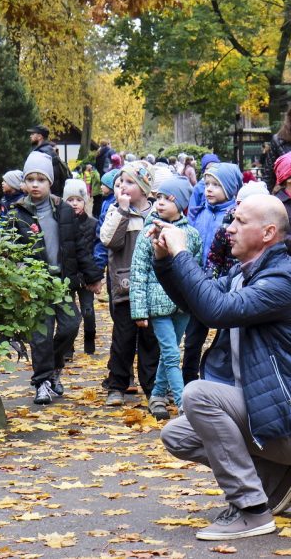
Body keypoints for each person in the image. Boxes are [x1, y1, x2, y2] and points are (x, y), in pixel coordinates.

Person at [155, 195, 291, 541]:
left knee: (198, 395)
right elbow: (196, 301)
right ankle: (278, 478)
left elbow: (216, 309)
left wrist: (182, 253)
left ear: (267, 233)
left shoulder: (283, 279)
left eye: (238, 222)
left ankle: (251, 509)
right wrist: (165, 262)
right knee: (176, 434)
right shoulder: (244, 274)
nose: (228, 229)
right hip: (269, 415)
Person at [5, 152, 104, 404]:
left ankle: (55, 367)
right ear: (24, 183)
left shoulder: (63, 211)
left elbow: (78, 247)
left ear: (51, 182)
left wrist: (93, 277)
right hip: (34, 285)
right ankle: (42, 381)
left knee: (71, 324)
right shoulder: (17, 214)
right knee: (40, 336)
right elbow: (8, 249)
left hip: (60, 282)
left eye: (41, 179)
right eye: (31, 179)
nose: (36, 184)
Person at [131, 176, 201, 420]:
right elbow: (138, 272)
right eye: (157, 198)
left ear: (180, 203)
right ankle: (184, 407)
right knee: (171, 354)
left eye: (166, 198)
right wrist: (139, 310)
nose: (159, 203)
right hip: (158, 304)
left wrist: (197, 301)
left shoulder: (191, 234)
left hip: (182, 305)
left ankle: (158, 395)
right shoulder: (147, 233)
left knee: (169, 353)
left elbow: (195, 269)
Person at [100, 161, 160, 406]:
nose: (122, 186)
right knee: (123, 338)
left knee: (150, 340)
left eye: (129, 182)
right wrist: (123, 212)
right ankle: (117, 385)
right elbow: (108, 240)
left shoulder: (157, 213)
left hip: (152, 288)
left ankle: (152, 388)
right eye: (120, 182)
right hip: (125, 286)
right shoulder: (116, 211)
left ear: (144, 188)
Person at [181, 162, 244, 385]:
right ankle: (187, 380)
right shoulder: (197, 214)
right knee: (193, 338)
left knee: (226, 338)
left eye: (215, 185)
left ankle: (222, 381)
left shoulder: (234, 217)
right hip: (202, 282)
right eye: (207, 184)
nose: (208, 189)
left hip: (227, 285)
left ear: (229, 187)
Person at [63, 178, 99, 357]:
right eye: (70, 200)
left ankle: (89, 339)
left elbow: (96, 251)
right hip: (68, 275)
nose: (74, 203)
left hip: (86, 276)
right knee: (69, 313)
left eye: (78, 199)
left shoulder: (93, 224)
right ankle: (67, 347)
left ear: (85, 201)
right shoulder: (61, 224)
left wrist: (94, 275)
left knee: (88, 310)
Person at [27, 125, 69, 197]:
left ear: (40, 137)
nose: (30, 136)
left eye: (33, 134)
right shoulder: (48, 149)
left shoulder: (44, 152)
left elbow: (54, 177)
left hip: (48, 194)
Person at [0, 170, 24, 238]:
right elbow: (2, 218)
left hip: (19, 237)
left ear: (14, 184)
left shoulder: (22, 201)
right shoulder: (4, 200)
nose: (2, 183)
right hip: (6, 237)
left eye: (5, 181)